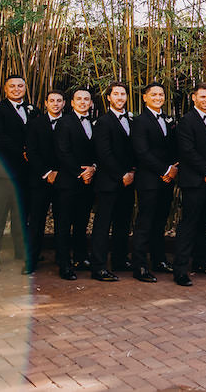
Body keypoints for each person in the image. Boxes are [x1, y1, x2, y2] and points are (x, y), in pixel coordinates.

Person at [0, 74, 35, 272]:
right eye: (12, 86)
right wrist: (24, 151)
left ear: (25, 88)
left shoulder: (33, 110)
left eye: (20, 86)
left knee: (22, 214)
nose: (16, 89)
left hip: (25, 172)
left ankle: (21, 251)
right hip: (2, 171)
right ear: (5, 89)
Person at [173, 83, 206, 287]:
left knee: (204, 223)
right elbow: (187, 151)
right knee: (189, 224)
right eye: (202, 97)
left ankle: (200, 262)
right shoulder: (186, 121)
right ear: (193, 98)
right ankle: (180, 269)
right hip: (194, 181)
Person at [130, 81, 178, 283]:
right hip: (149, 180)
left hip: (166, 180)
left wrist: (173, 168)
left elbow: (173, 147)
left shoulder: (167, 119)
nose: (158, 98)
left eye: (161, 95)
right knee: (145, 222)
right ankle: (139, 266)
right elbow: (142, 152)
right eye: (154, 94)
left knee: (160, 222)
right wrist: (165, 170)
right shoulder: (140, 121)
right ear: (145, 97)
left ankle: (159, 260)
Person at [90, 82, 136, 281]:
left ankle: (119, 259)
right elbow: (104, 154)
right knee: (103, 224)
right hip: (109, 182)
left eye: (123, 94)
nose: (119, 97)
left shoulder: (132, 120)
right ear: (108, 98)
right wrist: (121, 175)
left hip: (129, 180)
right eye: (115, 94)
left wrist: (132, 171)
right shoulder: (103, 122)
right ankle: (98, 266)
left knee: (123, 222)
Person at [53, 88, 97, 280]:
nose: (82, 102)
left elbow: (100, 150)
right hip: (68, 182)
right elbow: (63, 152)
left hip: (89, 181)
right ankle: (64, 263)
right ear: (71, 103)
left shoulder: (97, 123)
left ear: (91, 103)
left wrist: (94, 168)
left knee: (82, 222)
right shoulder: (64, 123)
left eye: (86, 99)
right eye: (78, 99)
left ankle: (81, 257)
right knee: (64, 224)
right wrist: (81, 173)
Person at [23, 89, 65, 275]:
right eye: (52, 101)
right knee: (37, 221)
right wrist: (47, 172)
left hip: (64, 180)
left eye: (59, 100)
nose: (55, 104)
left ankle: (63, 261)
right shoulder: (35, 123)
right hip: (40, 180)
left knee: (63, 221)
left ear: (64, 103)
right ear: (46, 103)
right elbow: (31, 152)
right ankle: (31, 260)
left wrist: (59, 172)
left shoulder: (70, 121)